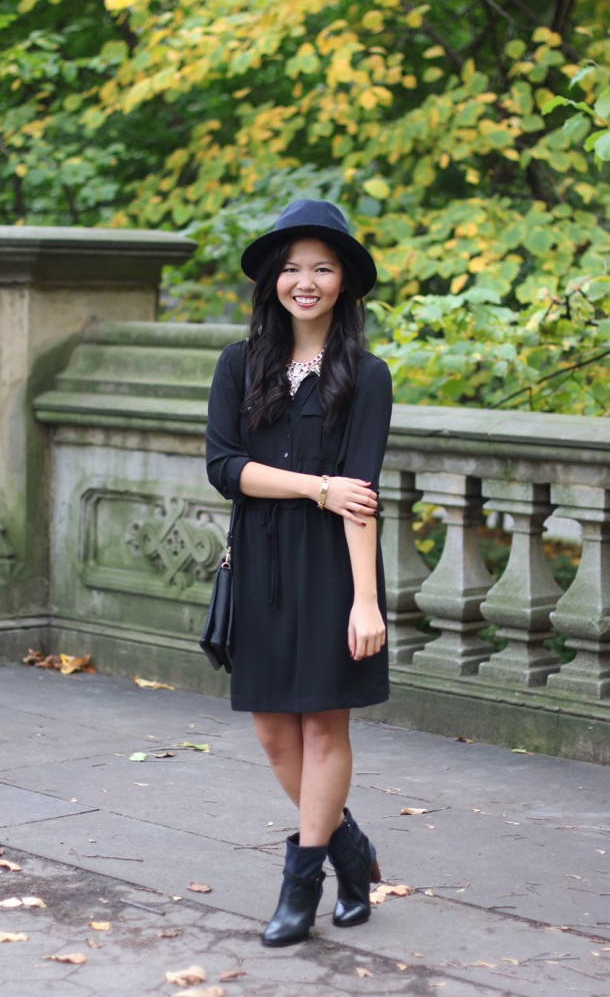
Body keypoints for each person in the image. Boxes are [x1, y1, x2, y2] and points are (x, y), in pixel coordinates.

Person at [205, 199, 393, 946]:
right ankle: (350, 851)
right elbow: (225, 467)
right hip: (259, 561)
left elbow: (362, 496)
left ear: (342, 281)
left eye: (320, 267)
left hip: (331, 569)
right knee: (271, 732)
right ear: (272, 281)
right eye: (291, 268)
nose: (304, 281)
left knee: (321, 723)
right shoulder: (238, 363)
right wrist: (315, 486)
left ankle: (301, 883)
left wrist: (366, 603)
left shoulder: (365, 376)